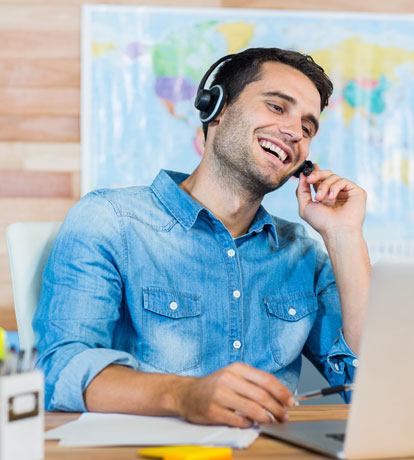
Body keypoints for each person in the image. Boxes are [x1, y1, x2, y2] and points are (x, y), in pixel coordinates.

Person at [34, 47, 370, 428]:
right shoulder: (111, 221)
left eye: (308, 128)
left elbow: (370, 384)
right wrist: (183, 396)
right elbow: (57, 371)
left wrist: (344, 235)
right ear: (217, 108)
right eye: (277, 107)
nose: (294, 132)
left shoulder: (301, 252)